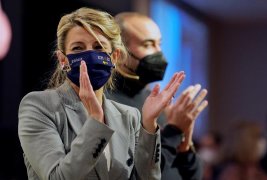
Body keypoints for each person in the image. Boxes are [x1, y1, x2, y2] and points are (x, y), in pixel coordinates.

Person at [18, 7, 186, 180]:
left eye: (99, 47)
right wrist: (96, 122)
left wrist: (149, 124)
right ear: (63, 60)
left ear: (114, 58)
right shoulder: (39, 105)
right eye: (78, 48)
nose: (89, 54)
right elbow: (58, 177)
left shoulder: (130, 116)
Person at [105, 12, 208, 180]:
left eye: (159, 44)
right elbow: (139, 174)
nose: (159, 53)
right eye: (148, 44)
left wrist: (185, 142)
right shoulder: (105, 103)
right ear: (119, 51)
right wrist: (174, 131)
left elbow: (193, 176)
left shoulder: (155, 100)